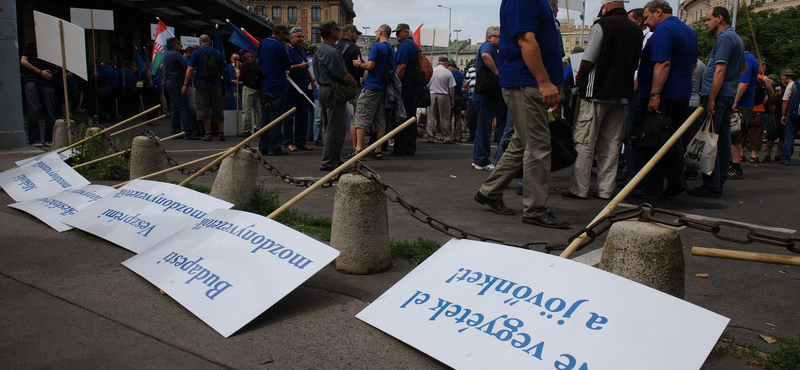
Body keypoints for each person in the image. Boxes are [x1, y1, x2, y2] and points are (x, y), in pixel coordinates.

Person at [475, 0, 569, 229]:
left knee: (520, 143)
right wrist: (545, 82)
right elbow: (526, 41)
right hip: (525, 82)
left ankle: (489, 191)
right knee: (538, 146)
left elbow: (544, 45)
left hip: (528, 82)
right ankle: (536, 209)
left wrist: (553, 84)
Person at [561, 0, 643, 201]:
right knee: (612, 143)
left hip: (597, 92)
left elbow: (589, 58)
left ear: (605, 7)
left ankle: (579, 188)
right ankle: (605, 189)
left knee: (585, 141)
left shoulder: (602, 25)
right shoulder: (636, 30)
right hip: (621, 94)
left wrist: (580, 80)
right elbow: (635, 62)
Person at [634, 0, 697, 198]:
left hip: (663, 95)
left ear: (658, 12)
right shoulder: (689, 32)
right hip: (681, 93)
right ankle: (676, 180)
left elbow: (662, 63)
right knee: (672, 140)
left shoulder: (663, 31)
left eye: (647, 18)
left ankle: (652, 189)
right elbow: (693, 65)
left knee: (654, 139)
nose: (646, 23)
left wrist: (655, 94)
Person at [687, 7, 744, 198]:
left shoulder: (724, 38)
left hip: (718, 95)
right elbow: (742, 68)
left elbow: (720, 69)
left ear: (720, 19)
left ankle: (712, 184)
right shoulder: (735, 38)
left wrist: (711, 97)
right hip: (726, 94)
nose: (706, 22)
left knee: (711, 139)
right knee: (722, 139)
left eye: (709, 19)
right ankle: (717, 181)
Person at [314, 20, 358, 171]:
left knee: (329, 127)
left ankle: (332, 159)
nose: (339, 32)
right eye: (337, 30)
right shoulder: (333, 51)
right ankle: (329, 162)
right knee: (336, 129)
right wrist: (354, 84)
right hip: (333, 91)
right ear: (332, 32)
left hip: (322, 90)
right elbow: (344, 75)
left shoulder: (319, 51)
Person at [348, 24, 394, 159]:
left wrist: (358, 64)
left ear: (380, 32)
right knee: (380, 119)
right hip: (383, 88)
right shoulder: (391, 48)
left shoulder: (377, 46)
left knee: (361, 116)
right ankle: (378, 150)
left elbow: (370, 65)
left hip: (372, 86)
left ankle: (359, 149)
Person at [472, 26, 508, 170]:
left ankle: (479, 158)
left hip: (484, 95)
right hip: (484, 95)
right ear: (490, 37)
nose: (500, 39)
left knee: (483, 127)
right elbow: (485, 55)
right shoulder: (487, 46)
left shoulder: (492, 48)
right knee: (484, 128)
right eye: (498, 36)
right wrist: (497, 72)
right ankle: (481, 159)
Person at [183, 34, 227, 142]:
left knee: (204, 108)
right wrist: (217, 74)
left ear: (200, 42)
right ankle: (221, 133)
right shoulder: (217, 52)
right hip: (216, 83)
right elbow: (224, 68)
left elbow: (190, 69)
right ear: (210, 41)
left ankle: (208, 134)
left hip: (201, 84)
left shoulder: (196, 53)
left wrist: (185, 84)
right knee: (218, 108)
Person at [257, 24, 292, 155]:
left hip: (265, 84)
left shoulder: (263, 43)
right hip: (277, 85)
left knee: (265, 117)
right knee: (276, 118)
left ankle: (263, 146)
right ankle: (274, 146)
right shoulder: (279, 46)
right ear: (281, 33)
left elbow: (260, 62)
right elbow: (287, 65)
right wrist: (286, 51)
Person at [728, 38, 759, 179]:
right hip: (743, 102)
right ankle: (732, 164)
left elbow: (744, 82)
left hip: (742, 103)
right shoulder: (749, 58)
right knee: (734, 134)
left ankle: (735, 166)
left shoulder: (747, 59)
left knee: (735, 134)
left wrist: (735, 101)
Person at [20, 41, 57, 147]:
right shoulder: (32, 45)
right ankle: (35, 139)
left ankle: (48, 139)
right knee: (34, 110)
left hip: (47, 81)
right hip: (33, 79)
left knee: (49, 111)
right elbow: (23, 61)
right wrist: (40, 72)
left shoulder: (52, 47)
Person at [284, 28, 315, 152]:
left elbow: (306, 66)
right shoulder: (288, 51)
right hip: (291, 87)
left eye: (302, 37)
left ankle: (301, 141)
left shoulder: (302, 50)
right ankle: (288, 142)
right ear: (292, 38)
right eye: (298, 37)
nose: (301, 39)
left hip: (302, 87)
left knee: (303, 115)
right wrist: (298, 66)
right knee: (289, 116)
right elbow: (286, 67)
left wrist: (312, 80)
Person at [392, 23, 420, 157]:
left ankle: (399, 148)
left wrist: (395, 82)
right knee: (410, 116)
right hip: (413, 85)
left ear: (406, 33)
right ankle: (410, 147)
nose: (397, 35)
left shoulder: (404, 45)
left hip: (404, 85)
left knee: (400, 116)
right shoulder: (415, 46)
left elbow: (402, 66)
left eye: (399, 32)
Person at [164, 38, 199, 139]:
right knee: (184, 108)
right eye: (178, 45)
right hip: (178, 83)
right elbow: (187, 68)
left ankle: (175, 131)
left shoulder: (167, 55)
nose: (179, 46)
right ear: (174, 45)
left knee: (175, 108)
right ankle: (188, 132)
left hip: (170, 83)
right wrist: (195, 74)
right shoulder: (176, 55)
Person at [336, 24, 364, 147]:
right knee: (356, 117)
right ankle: (355, 146)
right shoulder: (354, 49)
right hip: (353, 86)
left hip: (337, 86)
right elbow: (359, 69)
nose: (357, 36)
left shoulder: (335, 47)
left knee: (337, 118)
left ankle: (335, 146)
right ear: (351, 32)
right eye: (356, 34)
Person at [426, 56, 456, 143]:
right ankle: (446, 137)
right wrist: (452, 99)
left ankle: (430, 137)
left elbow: (427, 84)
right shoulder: (448, 73)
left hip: (432, 95)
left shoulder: (432, 71)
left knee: (431, 117)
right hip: (443, 96)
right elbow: (451, 88)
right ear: (445, 63)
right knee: (445, 117)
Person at [764, 71, 789, 162]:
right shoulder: (775, 86)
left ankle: (778, 154)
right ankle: (768, 153)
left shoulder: (792, 86)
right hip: (775, 113)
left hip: (786, 114)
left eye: (790, 76)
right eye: (786, 76)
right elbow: (769, 99)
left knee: (782, 136)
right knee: (771, 135)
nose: (788, 78)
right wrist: (773, 99)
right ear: (782, 76)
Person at [780, 69, 800, 165]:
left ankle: (785, 158)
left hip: (793, 115)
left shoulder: (792, 85)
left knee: (789, 137)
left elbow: (785, 100)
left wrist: (784, 114)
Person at [240, 52, 262, 135]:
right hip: (257, 87)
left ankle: (247, 129)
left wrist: (238, 72)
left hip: (248, 87)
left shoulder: (246, 64)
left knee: (246, 109)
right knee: (257, 109)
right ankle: (259, 127)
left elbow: (241, 76)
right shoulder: (259, 63)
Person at [448, 59, 466, 142]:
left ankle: (447, 135)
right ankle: (458, 136)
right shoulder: (461, 74)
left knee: (448, 117)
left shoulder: (449, 73)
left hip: (451, 97)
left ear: (451, 66)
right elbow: (464, 85)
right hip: (460, 97)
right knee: (458, 118)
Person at [465, 65, 477, 142]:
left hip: (481, 97)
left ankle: (477, 135)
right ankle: (472, 135)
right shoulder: (471, 70)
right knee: (471, 118)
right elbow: (465, 83)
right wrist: (465, 86)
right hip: (472, 97)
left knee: (480, 118)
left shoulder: (488, 68)